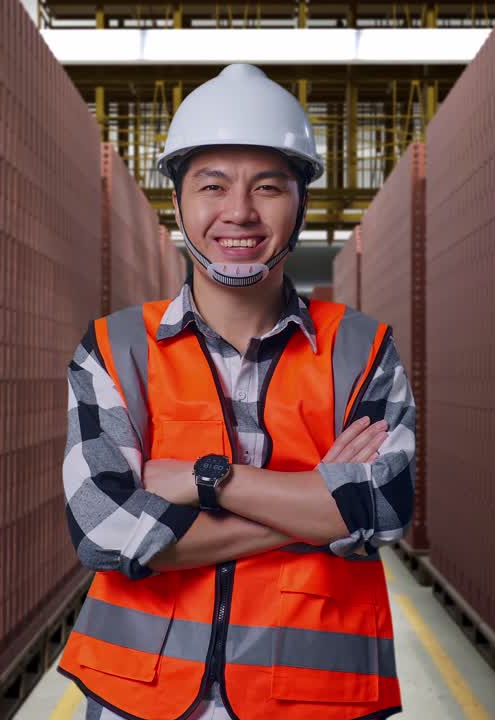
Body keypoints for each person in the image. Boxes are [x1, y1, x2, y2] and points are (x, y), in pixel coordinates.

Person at [58, 63, 416, 720]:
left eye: (268, 187)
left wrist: (202, 480)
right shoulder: (116, 349)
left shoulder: (362, 350)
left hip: (313, 702)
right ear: (178, 202)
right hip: (138, 700)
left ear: (301, 200)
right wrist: (314, 508)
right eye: (212, 186)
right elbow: (103, 530)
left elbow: (384, 512)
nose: (239, 212)